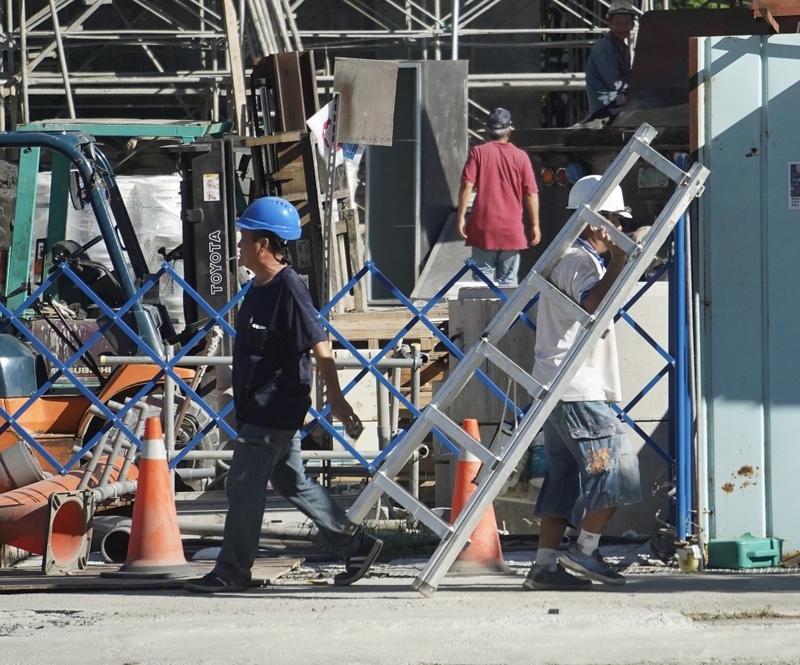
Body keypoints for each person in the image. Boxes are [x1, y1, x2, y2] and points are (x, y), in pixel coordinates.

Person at [185, 197, 383, 593]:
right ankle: (356, 544)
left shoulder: (288, 288)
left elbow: (319, 344)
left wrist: (338, 399)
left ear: (263, 243)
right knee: (292, 482)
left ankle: (232, 571)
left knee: (242, 486)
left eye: (244, 238)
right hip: (259, 405)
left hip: (273, 408)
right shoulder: (258, 287)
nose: (238, 244)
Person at [523, 175, 642, 591]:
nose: (621, 229)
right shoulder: (580, 260)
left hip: (558, 387)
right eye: (615, 219)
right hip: (578, 389)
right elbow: (591, 304)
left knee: (563, 478)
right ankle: (585, 550)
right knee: (618, 468)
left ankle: (543, 566)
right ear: (595, 222)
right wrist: (623, 264)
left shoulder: (569, 257)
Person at [457, 107, 541, 287]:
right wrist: (535, 225)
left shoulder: (478, 153)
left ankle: (486, 317)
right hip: (511, 230)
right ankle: (507, 316)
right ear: (509, 131)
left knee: (482, 286)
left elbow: (467, 185)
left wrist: (461, 217)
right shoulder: (521, 157)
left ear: (487, 131)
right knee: (509, 286)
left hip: (483, 229)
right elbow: (531, 193)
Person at [584, 0, 637, 119]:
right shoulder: (604, 47)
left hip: (617, 99)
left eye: (626, 23)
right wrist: (637, 84)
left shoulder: (624, 48)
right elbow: (615, 84)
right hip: (606, 104)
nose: (622, 28)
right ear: (608, 24)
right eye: (618, 23)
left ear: (632, 25)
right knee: (647, 104)